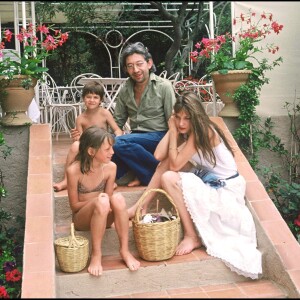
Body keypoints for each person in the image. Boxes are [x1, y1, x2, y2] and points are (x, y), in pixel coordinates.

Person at [128, 91, 262, 279]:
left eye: (187, 118)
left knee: (169, 176)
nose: (182, 123)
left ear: (196, 117)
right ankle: (140, 206)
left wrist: (174, 132)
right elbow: (158, 156)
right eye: (179, 118)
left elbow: (174, 165)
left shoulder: (204, 131)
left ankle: (192, 236)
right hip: (210, 180)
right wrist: (171, 128)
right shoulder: (188, 132)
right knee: (164, 165)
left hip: (225, 190)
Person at [72, 42, 176, 187]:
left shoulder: (163, 86)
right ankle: (105, 179)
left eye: (139, 64)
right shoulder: (125, 89)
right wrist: (99, 139)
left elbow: (173, 120)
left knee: (119, 143)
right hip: (136, 138)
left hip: (158, 137)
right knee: (106, 144)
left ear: (149, 63)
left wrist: (173, 148)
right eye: (130, 66)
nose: (136, 70)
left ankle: (153, 174)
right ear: (126, 69)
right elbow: (118, 121)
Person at [67, 126, 140, 276]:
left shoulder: (111, 168)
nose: (112, 152)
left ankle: (124, 250)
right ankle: (96, 254)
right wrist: (97, 201)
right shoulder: (74, 171)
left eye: (111, 148)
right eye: (107, 149)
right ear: (91, 151)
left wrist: (105, 203)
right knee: (102, 201)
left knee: (118, 198)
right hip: (82, 219)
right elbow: (74, 206)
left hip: (103, 215)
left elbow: (109, 199)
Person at [53, 81, 123, 192]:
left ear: (101, 100)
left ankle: (109, 181)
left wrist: (117, 137)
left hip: (103, 146)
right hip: (89, 149)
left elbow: (117, 129)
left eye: (95, 97)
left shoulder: (105, 113)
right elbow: (81, 139)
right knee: (75, 145)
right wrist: (76, 139)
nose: (92, 100)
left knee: (110, 147)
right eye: (88, 97)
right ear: (83, 98)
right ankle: (66, 180)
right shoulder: (81, 118)